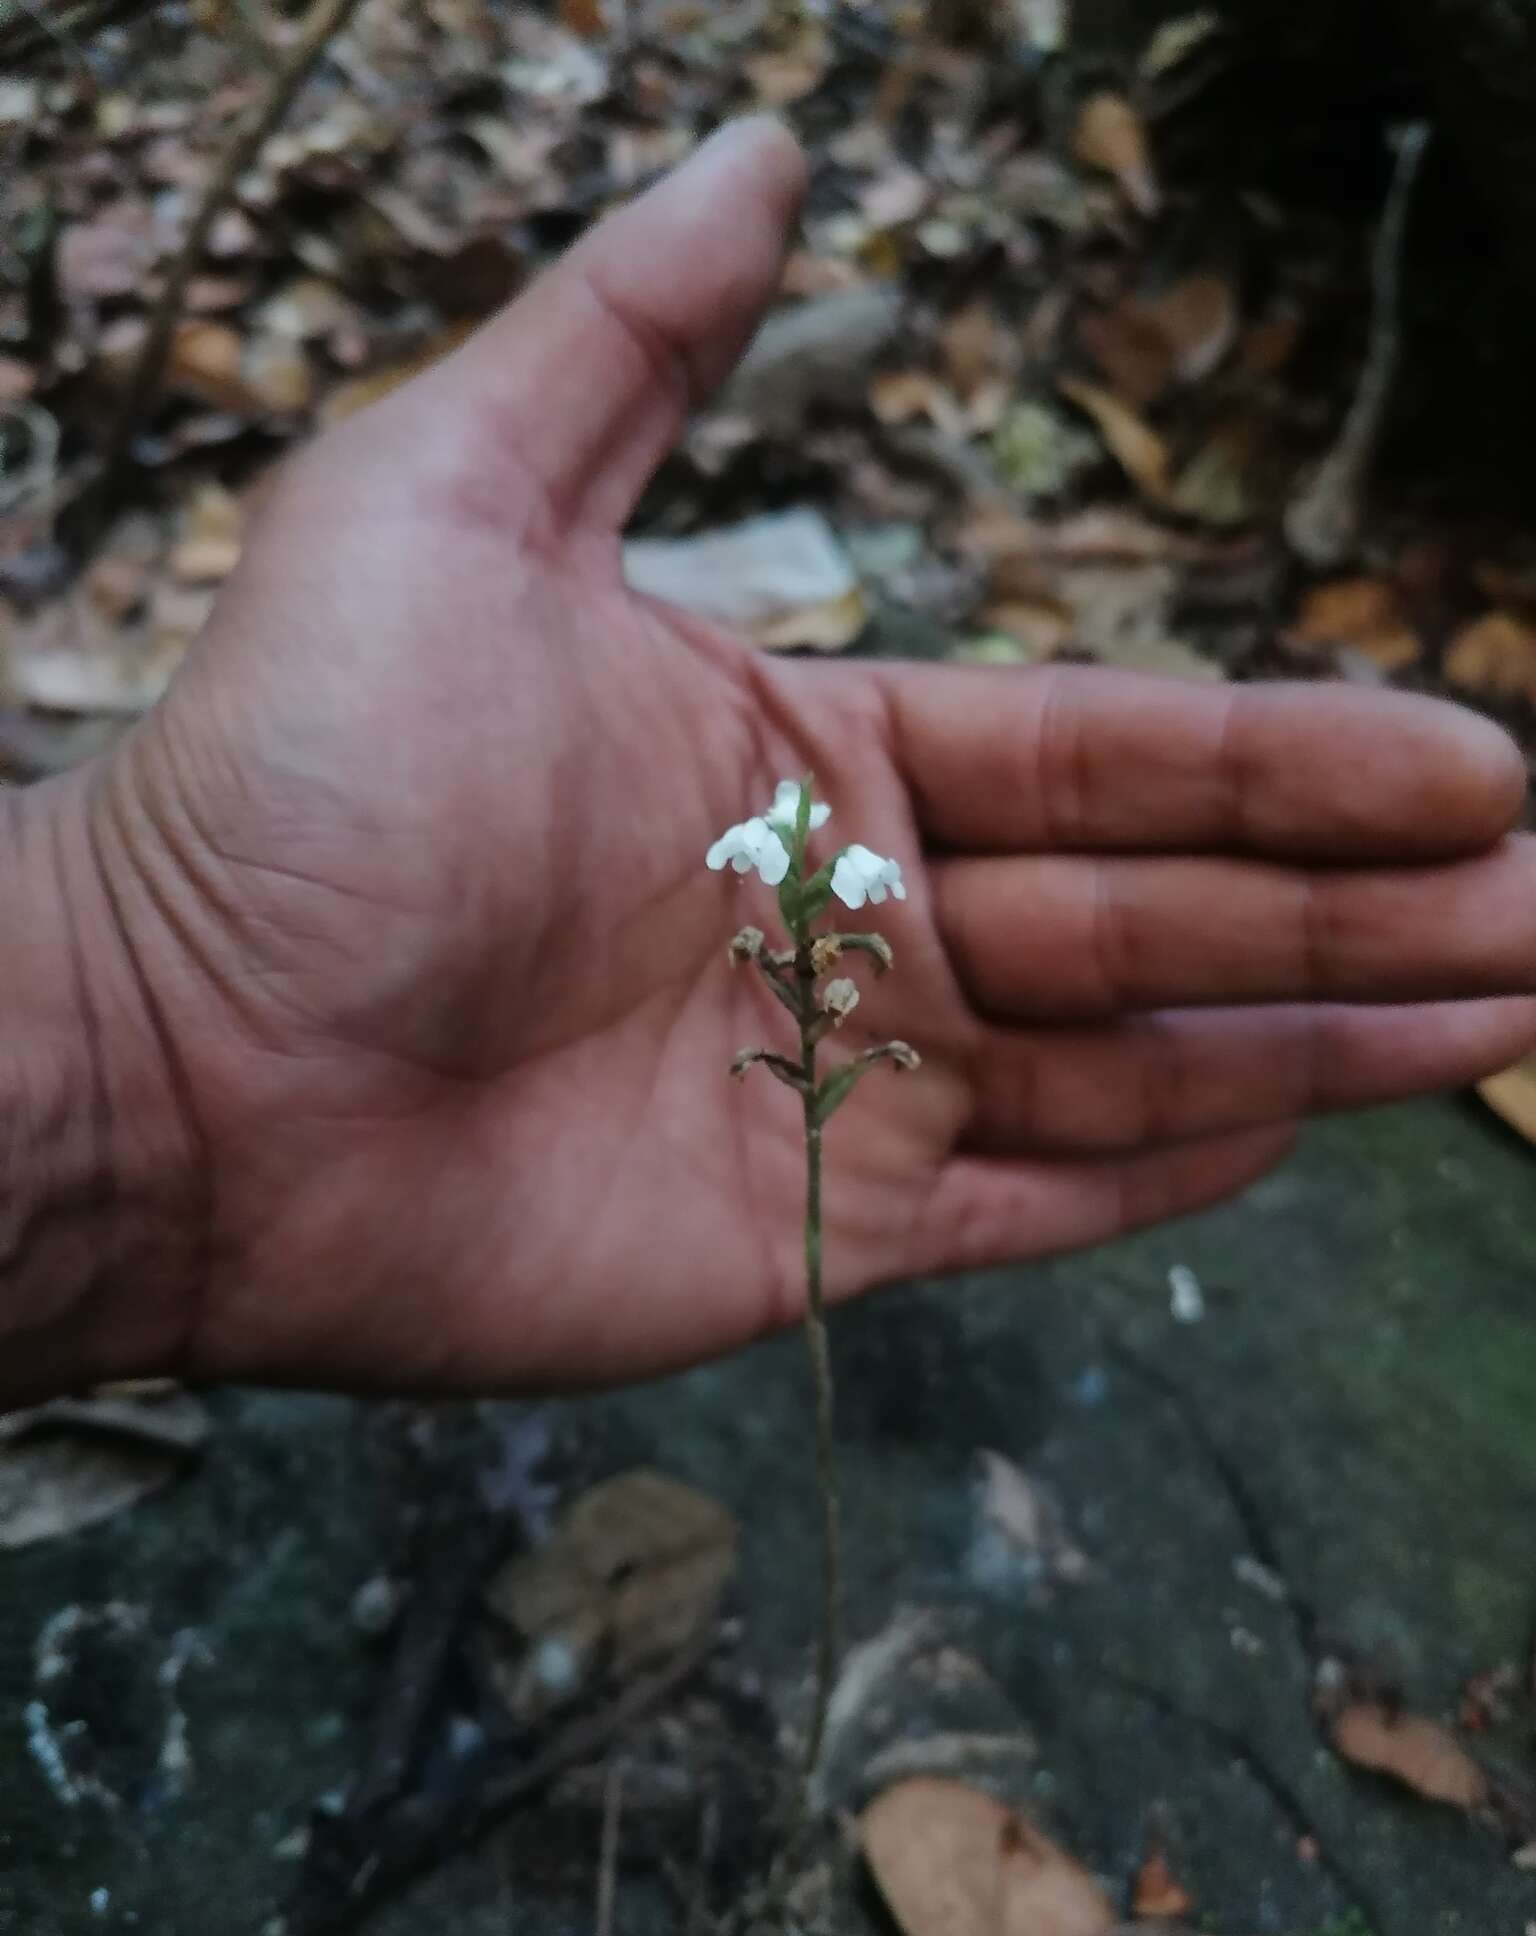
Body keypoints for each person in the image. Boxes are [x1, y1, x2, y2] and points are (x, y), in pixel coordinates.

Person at [2, 118, 1533, 1410]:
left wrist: (139, 1044)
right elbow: (786, 879)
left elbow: (819, 900)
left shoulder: (825, 894)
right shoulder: (778, 875)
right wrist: (150, 1012)